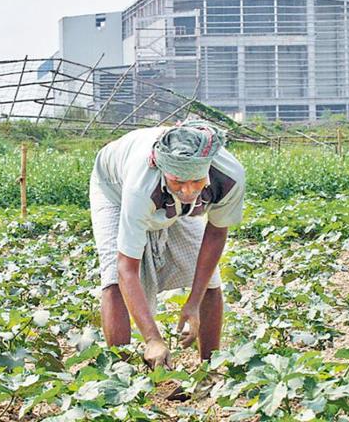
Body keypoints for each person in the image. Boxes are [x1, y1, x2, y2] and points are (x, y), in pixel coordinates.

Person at [89, 120, 245, 369]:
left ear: (206, 170)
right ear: (163, 170)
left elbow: (215, 234)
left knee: (211, 282)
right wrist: (153, 339)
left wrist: (193, 302)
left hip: (171, 204)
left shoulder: (229, 177)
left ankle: (209, 369)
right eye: (177, 182)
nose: (187, 190)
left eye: (196, 181)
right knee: (112, 279)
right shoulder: (141, 186)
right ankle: (120, 375)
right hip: (114, 189)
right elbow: (126, 268)